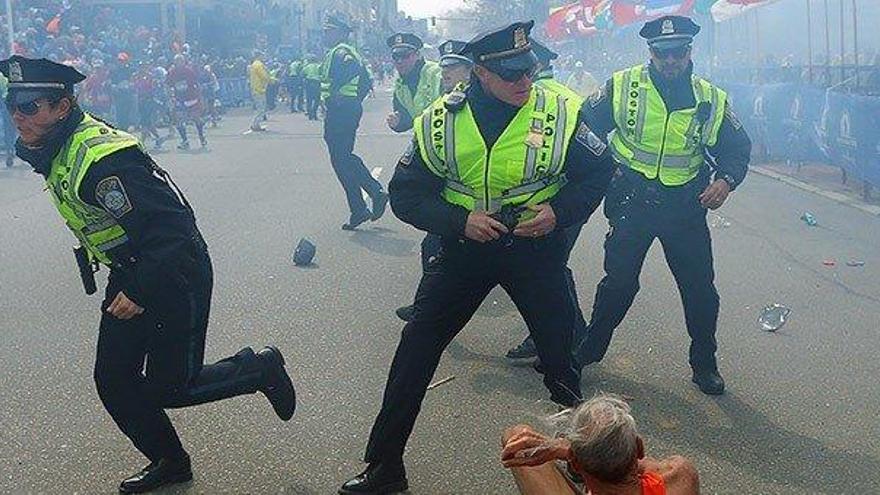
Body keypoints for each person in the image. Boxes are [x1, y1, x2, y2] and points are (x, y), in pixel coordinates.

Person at [338, 21, 615, 494]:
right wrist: (458, 221)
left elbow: (599, 170)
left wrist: (559, 213)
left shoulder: (560, 111)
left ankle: (588, 470)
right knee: (414, 353)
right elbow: (406, 196)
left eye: (528, 70)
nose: (525, 82)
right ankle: (385, 467)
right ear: (480, 74)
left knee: (562, 366)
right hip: (465, 251)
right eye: (512, 75)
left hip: (534, 251)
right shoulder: (440, 120)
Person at [1, 55, 296, 493]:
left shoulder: (102, 159)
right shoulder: (54, 143)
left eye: (31, 108)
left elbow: (175, 229)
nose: (18, 116)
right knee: (114, 379)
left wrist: (139, 289)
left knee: (171, 386)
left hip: (173, 270)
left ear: (62, 108)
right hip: (134, 266)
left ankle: (259, 369)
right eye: (13, 105)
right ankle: (170, 461)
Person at [573, 16, 752, 395]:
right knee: (619, 284)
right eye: (662, 53)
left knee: (700, 290)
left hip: (684, 207)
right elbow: (584, 124)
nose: (670, 60)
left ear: (689, 52)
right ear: (650, 52)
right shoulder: (622, 86)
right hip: (632, 201)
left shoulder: (710, 98)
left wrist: (725, 181)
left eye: (678, 52)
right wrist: (604, 167)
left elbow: (737, 149)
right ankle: (588, 351)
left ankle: (704, 363)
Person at [505, 39, 591, 365]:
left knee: (546, 268)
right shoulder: (569, 96)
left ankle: (564, 340)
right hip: (568, 201)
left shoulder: (540, 101)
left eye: (518, 70)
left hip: (554, 203)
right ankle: (562, 336)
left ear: (533, 69)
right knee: (549, 268)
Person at [394, 39, 473, 322]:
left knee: (530, 279)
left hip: (484, 199)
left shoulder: (472, 103)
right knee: (435, 248)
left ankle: (569, 338)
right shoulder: (446, 103)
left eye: (453, 67)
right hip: (457, 196)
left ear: (470, 70)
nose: (446, 72)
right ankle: (426, 310)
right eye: (444, 67)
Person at [501, 393, 700, 495]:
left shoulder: (577, 460)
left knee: (517, 437)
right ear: (639, 447)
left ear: (576, 464)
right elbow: (652, 467)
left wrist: (564, 449)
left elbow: (515, 437)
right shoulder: (681, 476)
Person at [320, 14, 387, 230]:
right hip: (343, 109)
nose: (325, 34)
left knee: (341, 158)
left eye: (329, 30)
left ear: (341, 33)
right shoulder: (340, 52)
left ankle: (374, 194)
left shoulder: (342, 52)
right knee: (341, 159)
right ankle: (359, 208)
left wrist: (336, 98)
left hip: (341, 111)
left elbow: (354, 72)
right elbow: (366, 81)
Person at [385, 32, 441, 133]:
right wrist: (398, 123)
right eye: (395, 56)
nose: (400, 61)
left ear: (418, 55)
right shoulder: (400, 84)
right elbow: (406, 117)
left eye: (405, 56)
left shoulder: (436, 73)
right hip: (424, 136)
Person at [167, 54, 208, 149]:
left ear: (184, 61)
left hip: (191, 98)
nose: (179, 63)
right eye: (177, 61)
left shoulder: (189, 71)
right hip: (179, 99)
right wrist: (170, 97)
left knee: (195, 118)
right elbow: (168, 85)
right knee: (178, 120)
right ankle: (184, 141)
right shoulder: (172, 72)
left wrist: (200, 97)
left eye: (181, 61)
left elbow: (197, 84)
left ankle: (202, 137)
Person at [248, 51, 274, 132]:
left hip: (256, 88)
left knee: (260, 108)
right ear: (259, 56)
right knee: (261, 108)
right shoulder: (258, 65)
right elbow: (264, 76)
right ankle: (254, 124)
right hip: (259, 89)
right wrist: (272, 80)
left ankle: (256, 124)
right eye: (263, 56)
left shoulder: (255, 64)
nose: (264, 57)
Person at [0, 72, 15, 167]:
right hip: (15, 104)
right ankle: (14, 149)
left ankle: (10, 150)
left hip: (6, 105)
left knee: (7, 130)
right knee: (16, 128)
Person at [302, 54, 322, 121]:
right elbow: (322, 73)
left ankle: (310, 115)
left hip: (309, 83)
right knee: (317, 100)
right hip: (317, 84)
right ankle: (314, 114)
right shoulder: (319, 66)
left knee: (309, 100)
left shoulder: (307, 67)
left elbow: (303, 74)